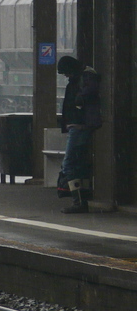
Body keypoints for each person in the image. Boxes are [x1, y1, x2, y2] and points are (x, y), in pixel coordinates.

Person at [56, 55, 101, 214]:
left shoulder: (86, 77)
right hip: (77, 126)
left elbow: (89, 91)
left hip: (80, 126)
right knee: (79, 164)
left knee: (70, 164)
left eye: (65, 73)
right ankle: (82, 201)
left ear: (71, 68)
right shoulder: (81, 77)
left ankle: (79, 202)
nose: (66, 76)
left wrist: (79, 100)